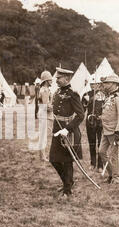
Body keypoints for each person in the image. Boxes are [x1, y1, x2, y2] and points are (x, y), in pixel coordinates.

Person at [50, 67, 84, 199]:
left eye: (59, 78)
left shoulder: (73, 94)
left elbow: (81, 115)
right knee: (54, 159)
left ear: (67, 79)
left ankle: (67, 190)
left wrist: (67, 129)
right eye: (56, 78)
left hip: (67, 131)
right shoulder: (57, 92)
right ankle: (67, 182)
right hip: (56, 130)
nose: (56, 80)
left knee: (66, 161)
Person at [98, 74, 119, 184]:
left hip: (114, 131)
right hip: (105, 130)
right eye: (105, 83)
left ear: (114, 84)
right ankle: (110, 173)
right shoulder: (108, 97)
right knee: (101, 152)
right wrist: (99, 118)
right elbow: (108, 113)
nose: (105, 85)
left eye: (107, 83)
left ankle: (116, 177)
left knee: (114, 155)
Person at [82, 77, 105, 172]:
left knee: (101, 143)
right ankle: (92, 163)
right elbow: (82, 109)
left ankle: (100, 165)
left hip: (100, 121)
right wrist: (86, 101)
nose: (92, 86)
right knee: (92, 143)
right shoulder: (86, 94)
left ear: (98, 84)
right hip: (90, 120)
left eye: (94, 84)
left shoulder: (103, 95)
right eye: (91, 84)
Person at [35, 71, 53, 161]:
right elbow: (47, 106)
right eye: (50, 79)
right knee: (44, 136)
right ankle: (43, 156)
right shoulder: (45, 90)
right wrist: (55, 106)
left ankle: (42, 156)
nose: (52, 81)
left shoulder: (44, 89)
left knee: (44, 136)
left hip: (44, 115)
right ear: (46, 81)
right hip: (45, 115)